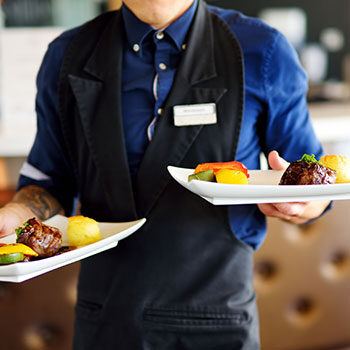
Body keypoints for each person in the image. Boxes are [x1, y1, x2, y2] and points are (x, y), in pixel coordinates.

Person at [0, 0, 330, 348]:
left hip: (217, 321)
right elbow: (48, 182)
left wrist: (302, 205)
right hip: (105, 320)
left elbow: (312, 186)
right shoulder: (67, 54)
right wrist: (19, 214)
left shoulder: (263, 50)